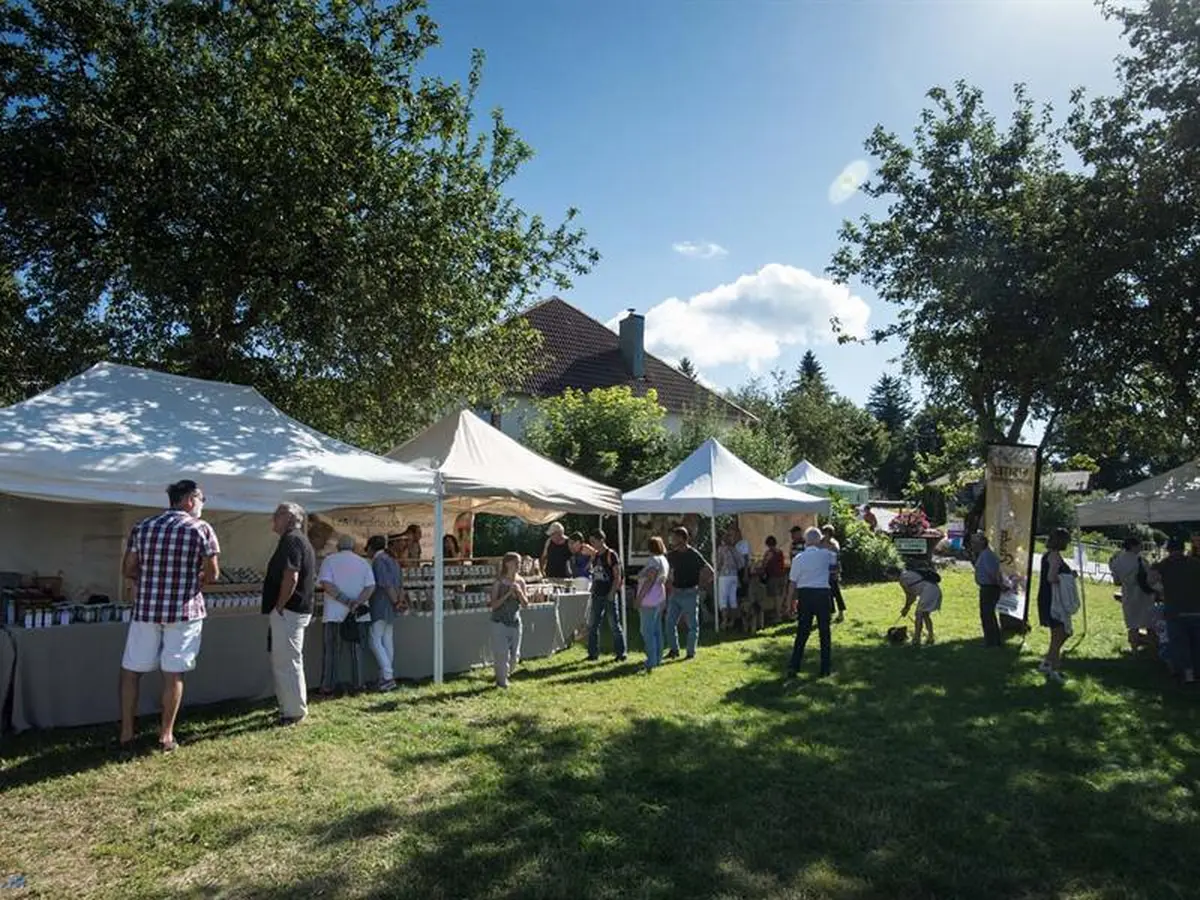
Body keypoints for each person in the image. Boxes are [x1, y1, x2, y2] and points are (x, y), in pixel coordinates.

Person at [119, 479, 220, 754]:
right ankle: (165, 735)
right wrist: (196, 579)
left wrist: (151, 578)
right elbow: (213, 574)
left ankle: (127, 733)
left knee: (131, 671)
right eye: (201, 499)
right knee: (173, 674)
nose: (202, 505)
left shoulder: (143, 526)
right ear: (189, 500)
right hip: (183, 610)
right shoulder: (202, 529)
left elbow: (128, 568)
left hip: (147, 609)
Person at [262, 502, 316, 726]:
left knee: (287, 661)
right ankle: (288, 707)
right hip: (292, 609)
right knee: (285, 659)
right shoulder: (296, 539)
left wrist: (280, 605)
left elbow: (291, 576)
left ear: (287, 517)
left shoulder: (292, 540)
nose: (273, 520)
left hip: (290, 609)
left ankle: (294, 711)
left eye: (276, 515)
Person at [317, 535, 375, 695]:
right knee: (357, 651)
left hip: (334, 613)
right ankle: (358, 684)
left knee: (331, 651)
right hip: (358, 614)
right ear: (354, 547)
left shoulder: (329, 560)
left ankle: (328, 685)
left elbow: (326, 584)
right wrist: (356, 603)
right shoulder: (363, 562)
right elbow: (370, 587)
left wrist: (345, 600)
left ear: (338, 547)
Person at [785, 527, 836, 679]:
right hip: (822, 593)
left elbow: (792, 584)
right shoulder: (827, 555)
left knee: (802, 631)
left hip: (805, 594)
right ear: (819, 540)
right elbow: (834, 569)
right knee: (824, 632)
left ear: (806, 541)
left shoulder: (798, 558)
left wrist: (789, 602)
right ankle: (825, 668)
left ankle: (794, 665)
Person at [1150, 536, 1200, 684]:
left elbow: (1150, 581)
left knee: (1180, 645)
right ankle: (1198, 673)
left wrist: (1162, 590)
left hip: (1175, 611)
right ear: (1183, 549)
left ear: (1168, 549)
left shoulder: (1164, 565)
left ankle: (1188, 675)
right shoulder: (1196, 563)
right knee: (1197, 643)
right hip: (1197, 610)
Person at [665, 527, 713, 660]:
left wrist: (700, 586)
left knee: (692, 625)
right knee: (669, 623)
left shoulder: (694, 554)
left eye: (674, 537)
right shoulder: (672, 555)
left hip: (690, 593)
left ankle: (690, 652)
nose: (672, 540)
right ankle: (674, 650)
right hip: (675, 593)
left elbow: (710, 572)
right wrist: (668, 583)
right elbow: (663, 569)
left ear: (682, 538)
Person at [367, 534, 405, 692]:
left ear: (371, 548)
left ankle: (387, 676)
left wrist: (395, 601)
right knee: (387, 639)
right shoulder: (394, 560)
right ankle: (386, 676)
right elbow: (401, 585)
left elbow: (386, 585)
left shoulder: (379, 561)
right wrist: (399, 602)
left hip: (382, 604)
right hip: (393, 604)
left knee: (374, 639)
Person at [1037, 527, 1074, 682]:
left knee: (1060, 634)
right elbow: (1052, 577)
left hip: (1048, 597)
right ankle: (1054, 669)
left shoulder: (1049, 555)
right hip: (1053, 600)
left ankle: (1047, 663)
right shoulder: (1054, 557)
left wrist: (1069, 575)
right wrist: (1067, 579)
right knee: (1060, 633)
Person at [489, 552, 529, 688]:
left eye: (520, 562)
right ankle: (501, 681)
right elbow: (493, 605)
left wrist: (519, 592)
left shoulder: (521, 581)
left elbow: (525, 604)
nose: (519, 565)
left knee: (514, 656)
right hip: (499, 622)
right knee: (502, 654)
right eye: (516, 562)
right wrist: (507, 594)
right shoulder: (498, 582)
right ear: (507, 564)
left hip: (515, 622)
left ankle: (506, 673)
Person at [1109, 535, 1156, 652]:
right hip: (1144, 595)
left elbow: (1117, 582)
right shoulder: (1141, 560)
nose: (1141, 547)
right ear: (1133, 546)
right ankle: (1152, 648)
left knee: (1133, 625)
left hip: (1128, 595)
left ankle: (1134, 649)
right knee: (1150, 624)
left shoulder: (1117, 561)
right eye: (1139, 545)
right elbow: (1151, 579)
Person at [587, 529, 626, 661]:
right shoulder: (596, 556)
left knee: (614, 625)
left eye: (594, 541)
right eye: (591, 541)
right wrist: (592, 588)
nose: (592, 544)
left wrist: (612, 593)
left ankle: (621, 654)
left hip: (609, 595)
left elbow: (618, 576)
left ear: (601, 540)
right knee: (593, 625)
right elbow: (595, 574)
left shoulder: (611, 555)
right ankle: (593, 654)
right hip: (597, 594)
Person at [636, 537, 670, 672]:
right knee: (657, 630)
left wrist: (639, 598)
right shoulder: (664, 560)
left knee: (646, 631)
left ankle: (651, 660)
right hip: (659, 597)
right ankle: (658, 657)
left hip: (649, 599)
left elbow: (649, 580)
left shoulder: (653, 561)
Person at [892, 564, 942, 646]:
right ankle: (930, 637)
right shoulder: (906, 574)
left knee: (918, 614)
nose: (889, 578)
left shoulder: (903, 579)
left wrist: (906, 608)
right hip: (935, 590)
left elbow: (910, 596)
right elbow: (913, 597)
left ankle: (916, 639)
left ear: (894, 574)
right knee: (925, 615)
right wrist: (907, 607)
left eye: (889, 576)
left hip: (928, 591)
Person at [972, 533, 1005, 648]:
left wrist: (999, 585)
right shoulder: (983, 554)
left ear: (982, 542)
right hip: (987, 587)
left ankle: (992, 641)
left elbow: (992, 574)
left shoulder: (987, 555)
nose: (973, 545)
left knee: (988, 615)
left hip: (989, 588)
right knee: (987, 614)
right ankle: (991, 640)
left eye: (975, 542)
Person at [752, 536, 787, 626]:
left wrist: (758, 569)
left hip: (774, 577)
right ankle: (780, 613)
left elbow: (764, 564)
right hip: (782, 575)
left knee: (775, 596)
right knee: (780, 595)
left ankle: (778, 615)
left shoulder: (770, 553)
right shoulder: (780, 552)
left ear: (768, 544)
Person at [715, 530, 741, 631]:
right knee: (733, 598)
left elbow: (719, 562)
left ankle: (724, 621)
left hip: (724, 575)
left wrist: (716, 571)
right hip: (734, 575)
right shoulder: (734, 549)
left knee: (723, 599)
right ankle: (733, 621)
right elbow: (741, 562)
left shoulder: (721, 549)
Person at [821, 524, 847, 624]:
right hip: (823, 571)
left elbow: (837, 559)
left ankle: (841, 612)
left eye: (826, 533)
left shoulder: (834, 544)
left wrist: (837, 572)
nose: (824, 535)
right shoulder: (820, 543)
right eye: (824, 533)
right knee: (828, 593)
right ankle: (830, 612)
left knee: (836, 592)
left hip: (833, 572)